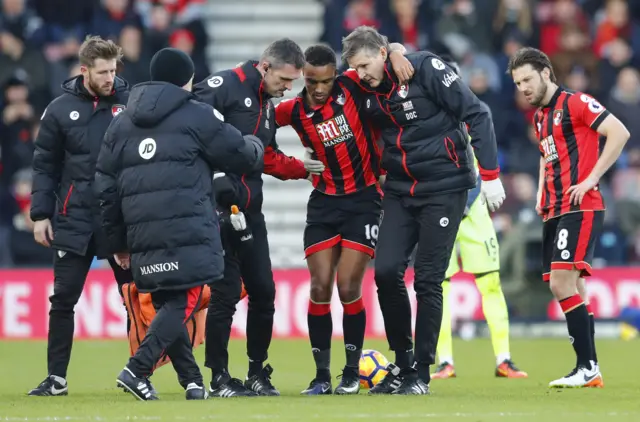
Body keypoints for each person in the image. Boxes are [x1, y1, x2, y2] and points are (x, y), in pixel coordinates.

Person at [341, 26, 505, 395]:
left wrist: (491, 175)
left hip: (445, 186)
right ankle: (402, 362)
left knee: (430, 279)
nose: (361, 74)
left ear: (382, 54)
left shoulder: (426, 68)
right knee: (384, 271)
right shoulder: (360, 84)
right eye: (355, 68)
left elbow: (477, 114)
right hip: (400, 188)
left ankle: (422, 373)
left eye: (365, 65)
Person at [94, 48, 265, 401]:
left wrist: (117, 242)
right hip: (185, 227)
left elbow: (105, 187)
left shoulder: (121, 121)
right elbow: (240, 154)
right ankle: (136, 369)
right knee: (183, 300)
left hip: (141, 231)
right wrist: (255, 143)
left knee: (167, 304)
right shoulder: (197, 114)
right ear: (187, 79)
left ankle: (191, 380)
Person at [274, 44, 408, 395]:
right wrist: (291, 163)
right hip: (323, 203)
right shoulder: (292, 109)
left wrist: (395, 50)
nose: (320, 89)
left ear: (336, 76)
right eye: (312, 81)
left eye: (326, 81)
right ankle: (321, 376)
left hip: (364, 200)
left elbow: (379, 58)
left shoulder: (350, 84)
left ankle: (350, 373)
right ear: (303, 77)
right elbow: (256, 122)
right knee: (319, 287)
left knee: (348, 286)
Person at [193, 38, 309, 397]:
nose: (288, 88)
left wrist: (302, 170)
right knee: (226, 294)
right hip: (215, 210)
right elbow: (188, 131)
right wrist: (213, 180)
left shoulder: (267, 105)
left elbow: (266, 156)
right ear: (265, 66)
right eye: (285, 80)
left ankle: (257, 372)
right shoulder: (222, 86)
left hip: (249, 211)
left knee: (264, 291)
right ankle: (219, 377)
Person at [507, 47, 629, 388]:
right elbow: (548, 155)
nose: (524, 88)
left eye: (528, 79)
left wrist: (591, 178)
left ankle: (587, 366)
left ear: (546, 73)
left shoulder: (576, 102)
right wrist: (539, 194)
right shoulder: (540, 116)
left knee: (560, 283)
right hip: (554, 207)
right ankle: (591, 371)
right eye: (518, 83)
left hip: (581, 204)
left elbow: (619, 133)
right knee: (574, 286)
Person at [27, 35, 138, 397]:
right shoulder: (59, 110)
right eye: (103, 72)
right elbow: (45, 166)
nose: (111, 78)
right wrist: (41, 214)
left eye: (114, 70)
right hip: (74, 219)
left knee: (135, 299)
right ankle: (56, 378)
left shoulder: (131, 101)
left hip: (119, 218)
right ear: (84, 70)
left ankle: (140, 373)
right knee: (63, 300)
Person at [431, 55, 527, 380]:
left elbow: (484, 151)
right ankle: (444, 361)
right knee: (437, 286)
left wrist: (490, 180)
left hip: (473, 209)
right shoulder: (424, 118)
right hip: (439, 209)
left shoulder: (472, 113)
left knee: (490, 283)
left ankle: (504, 359)